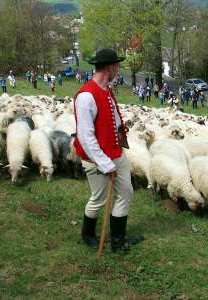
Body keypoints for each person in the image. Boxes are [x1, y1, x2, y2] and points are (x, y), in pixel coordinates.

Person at [74, 48, 143, 252]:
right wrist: (105, 164)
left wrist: (120, 130)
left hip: (115, 152)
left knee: (126, 192)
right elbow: (86, 137)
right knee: (99, 198)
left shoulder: (107, 89)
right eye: (118, 66)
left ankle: (118, 241)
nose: (119, 70)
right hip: (96, 159)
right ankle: (87, 235)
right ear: (110, 67)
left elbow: (111, 118)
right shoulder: (86, 96)